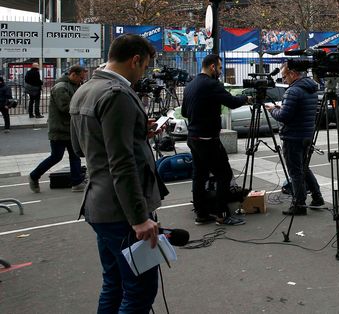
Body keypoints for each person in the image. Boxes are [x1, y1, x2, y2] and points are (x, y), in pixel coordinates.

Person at [70, 34, 168, 313]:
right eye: (145, 66)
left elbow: (81, 147)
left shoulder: (86, 89)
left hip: (98, 205)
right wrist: (139, 219)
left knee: (113, 283)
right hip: (121, 211)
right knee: (139, 290)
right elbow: (122, 163)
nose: (143, 73)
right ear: (135, 59)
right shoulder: (117, 94)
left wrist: (137, 131)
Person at [182, 54, 250, 226]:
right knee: (224, 174)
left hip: (193, 137)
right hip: (207, 138)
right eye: (220, 68)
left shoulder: (190, 85)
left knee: (199, 175)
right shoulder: (212, 84)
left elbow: (184, 112)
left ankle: (202, 213)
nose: (220, 71)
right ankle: (222, 214)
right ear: (212, 67)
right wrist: (246, 98)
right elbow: (233, 102)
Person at [266, 60, 325, 215]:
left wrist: (273, 110)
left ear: (293, 73)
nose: (284, 80)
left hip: (293, 135)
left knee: (295, 172)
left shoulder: (293, 91)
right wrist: (283, 108)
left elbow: (284, 116)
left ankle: (299, 204)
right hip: (306, 134)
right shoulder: (311, 88)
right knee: (304, 167)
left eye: (285, 76)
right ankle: (317, 197)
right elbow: (298, 111)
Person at [29, 65, 87, 193]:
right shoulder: (61, 87)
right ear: (73, 74)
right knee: (56, 156)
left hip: (70, 128)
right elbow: (65, 108)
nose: (82, 80)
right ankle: (34, 175)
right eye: (81, 78)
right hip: (59, 129)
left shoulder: (74, 86)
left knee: (75, 155)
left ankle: (77, 182)